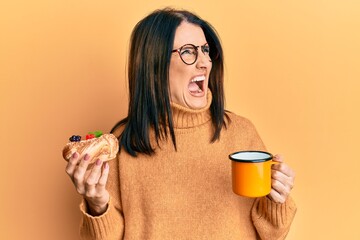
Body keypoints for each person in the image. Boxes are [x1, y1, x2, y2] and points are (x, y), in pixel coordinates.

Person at [65, 8, 296, 240]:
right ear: (154, 65)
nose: (205, 62)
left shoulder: (241, 132)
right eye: (189, 52)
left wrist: (277, 198)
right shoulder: (124, 143)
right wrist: (97, 205)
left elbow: (273, 234)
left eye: (205, 50)